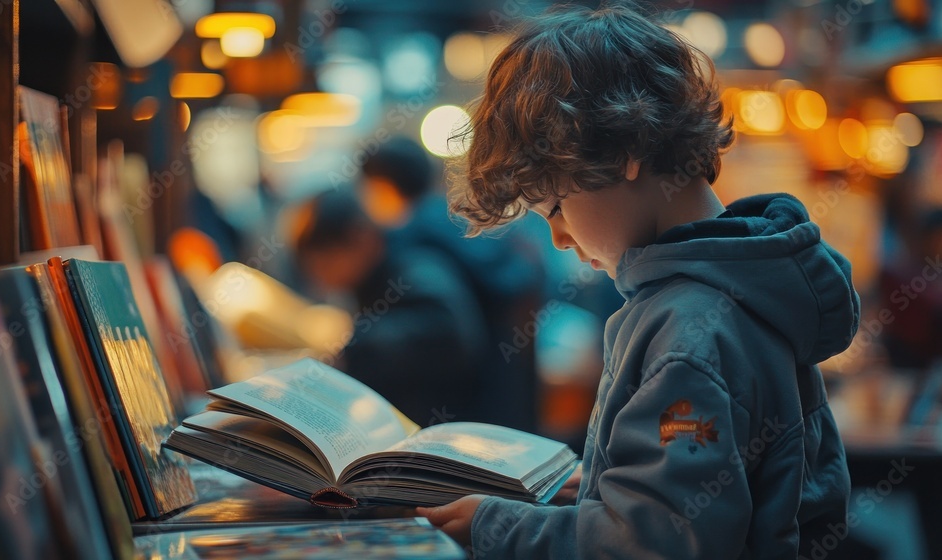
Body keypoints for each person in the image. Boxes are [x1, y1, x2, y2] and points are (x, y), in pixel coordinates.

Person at [416, 4, 860, 558]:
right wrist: (606, 487)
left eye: (553, 207)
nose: (557, 238)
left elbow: (657, 542)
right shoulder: (742, 287)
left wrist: (494, 526)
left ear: (624, 153)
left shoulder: (690, 332)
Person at [359, 136, 545, 432]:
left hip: (470, 410)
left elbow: (441, 330)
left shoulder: (413, 241)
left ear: (380, 187)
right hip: (510, 392)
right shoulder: (453, 222)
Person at [290, 189, 488, 426]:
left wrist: (356, 347)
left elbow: (449, 333)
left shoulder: (415, 266)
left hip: (453, 429)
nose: (320, 276)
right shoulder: (374, 278)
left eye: (323, 262)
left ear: (360, 237)